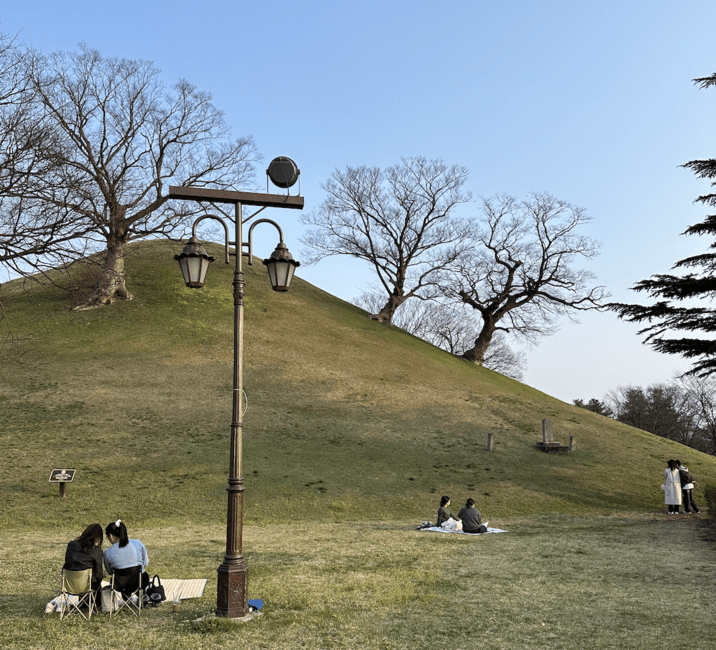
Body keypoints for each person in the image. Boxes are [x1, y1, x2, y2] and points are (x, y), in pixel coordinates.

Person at [63, 523, 104, 597]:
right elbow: (99, 573)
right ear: (97, 538)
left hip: (69, 585)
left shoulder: (71, 545)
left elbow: (67, 562)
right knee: (97, 581)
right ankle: (92, 604)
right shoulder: (96, 551)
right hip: (86, 587)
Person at [104, 520, 149, 587]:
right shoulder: (138, 543)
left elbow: (110, 572)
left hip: (121, 585)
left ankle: (127, 597)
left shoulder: (108, 552)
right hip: (140, 582)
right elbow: (145, 563)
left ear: (111, 536)